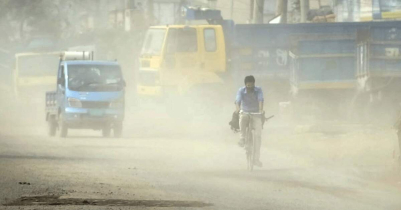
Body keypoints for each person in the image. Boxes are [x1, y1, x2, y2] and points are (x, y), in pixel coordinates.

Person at [235, 75, 264, 167]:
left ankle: (256, 159)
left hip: (256, 113)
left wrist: (260, 110)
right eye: (248, 86)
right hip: (245, 112)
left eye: (251, 85)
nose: (250, 87)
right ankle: (242, 138)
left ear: (254, 84)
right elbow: (237, 100)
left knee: (258, 136)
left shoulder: (258, 90)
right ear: (245, 85)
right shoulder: (241, 91)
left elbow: (261, 99)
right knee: (242, 118)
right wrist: (238, 109)